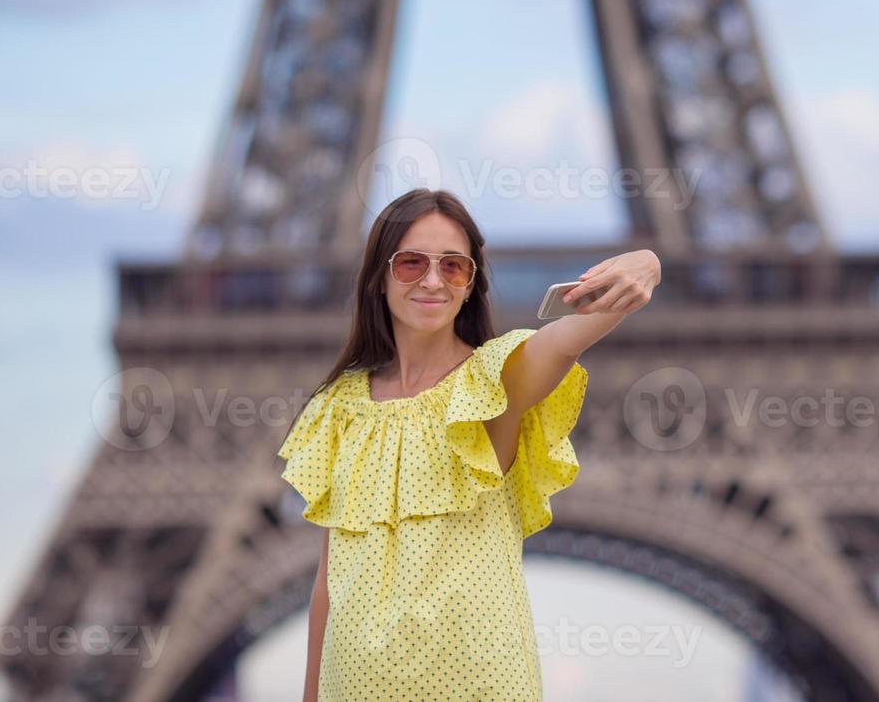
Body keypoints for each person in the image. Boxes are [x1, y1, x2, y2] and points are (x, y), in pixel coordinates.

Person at [276, 187, 660, 701]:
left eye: (453, 267)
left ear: (470, 285)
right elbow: (327, 585)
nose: (433, 280)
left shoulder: (492, 383)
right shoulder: (338, 407)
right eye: (411, 263)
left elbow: (568, 336)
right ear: (378, 279)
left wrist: (647, 261)